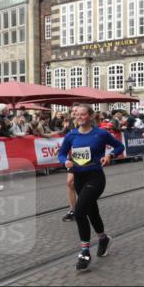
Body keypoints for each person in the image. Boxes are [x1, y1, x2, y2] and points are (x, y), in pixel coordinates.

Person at [57, 104, 125, 271]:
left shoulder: (100, 133)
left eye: (82, 114)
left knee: (80, 212)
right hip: (79, 179)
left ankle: (85, 252)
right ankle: (103, 238)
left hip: (95, 177)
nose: (79, 117)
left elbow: (119, 146)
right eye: (77, 114)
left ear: (90, 116)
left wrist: (110, 155)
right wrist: (65, 161)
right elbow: (61, 153)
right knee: (91, 212)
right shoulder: (71, 135)